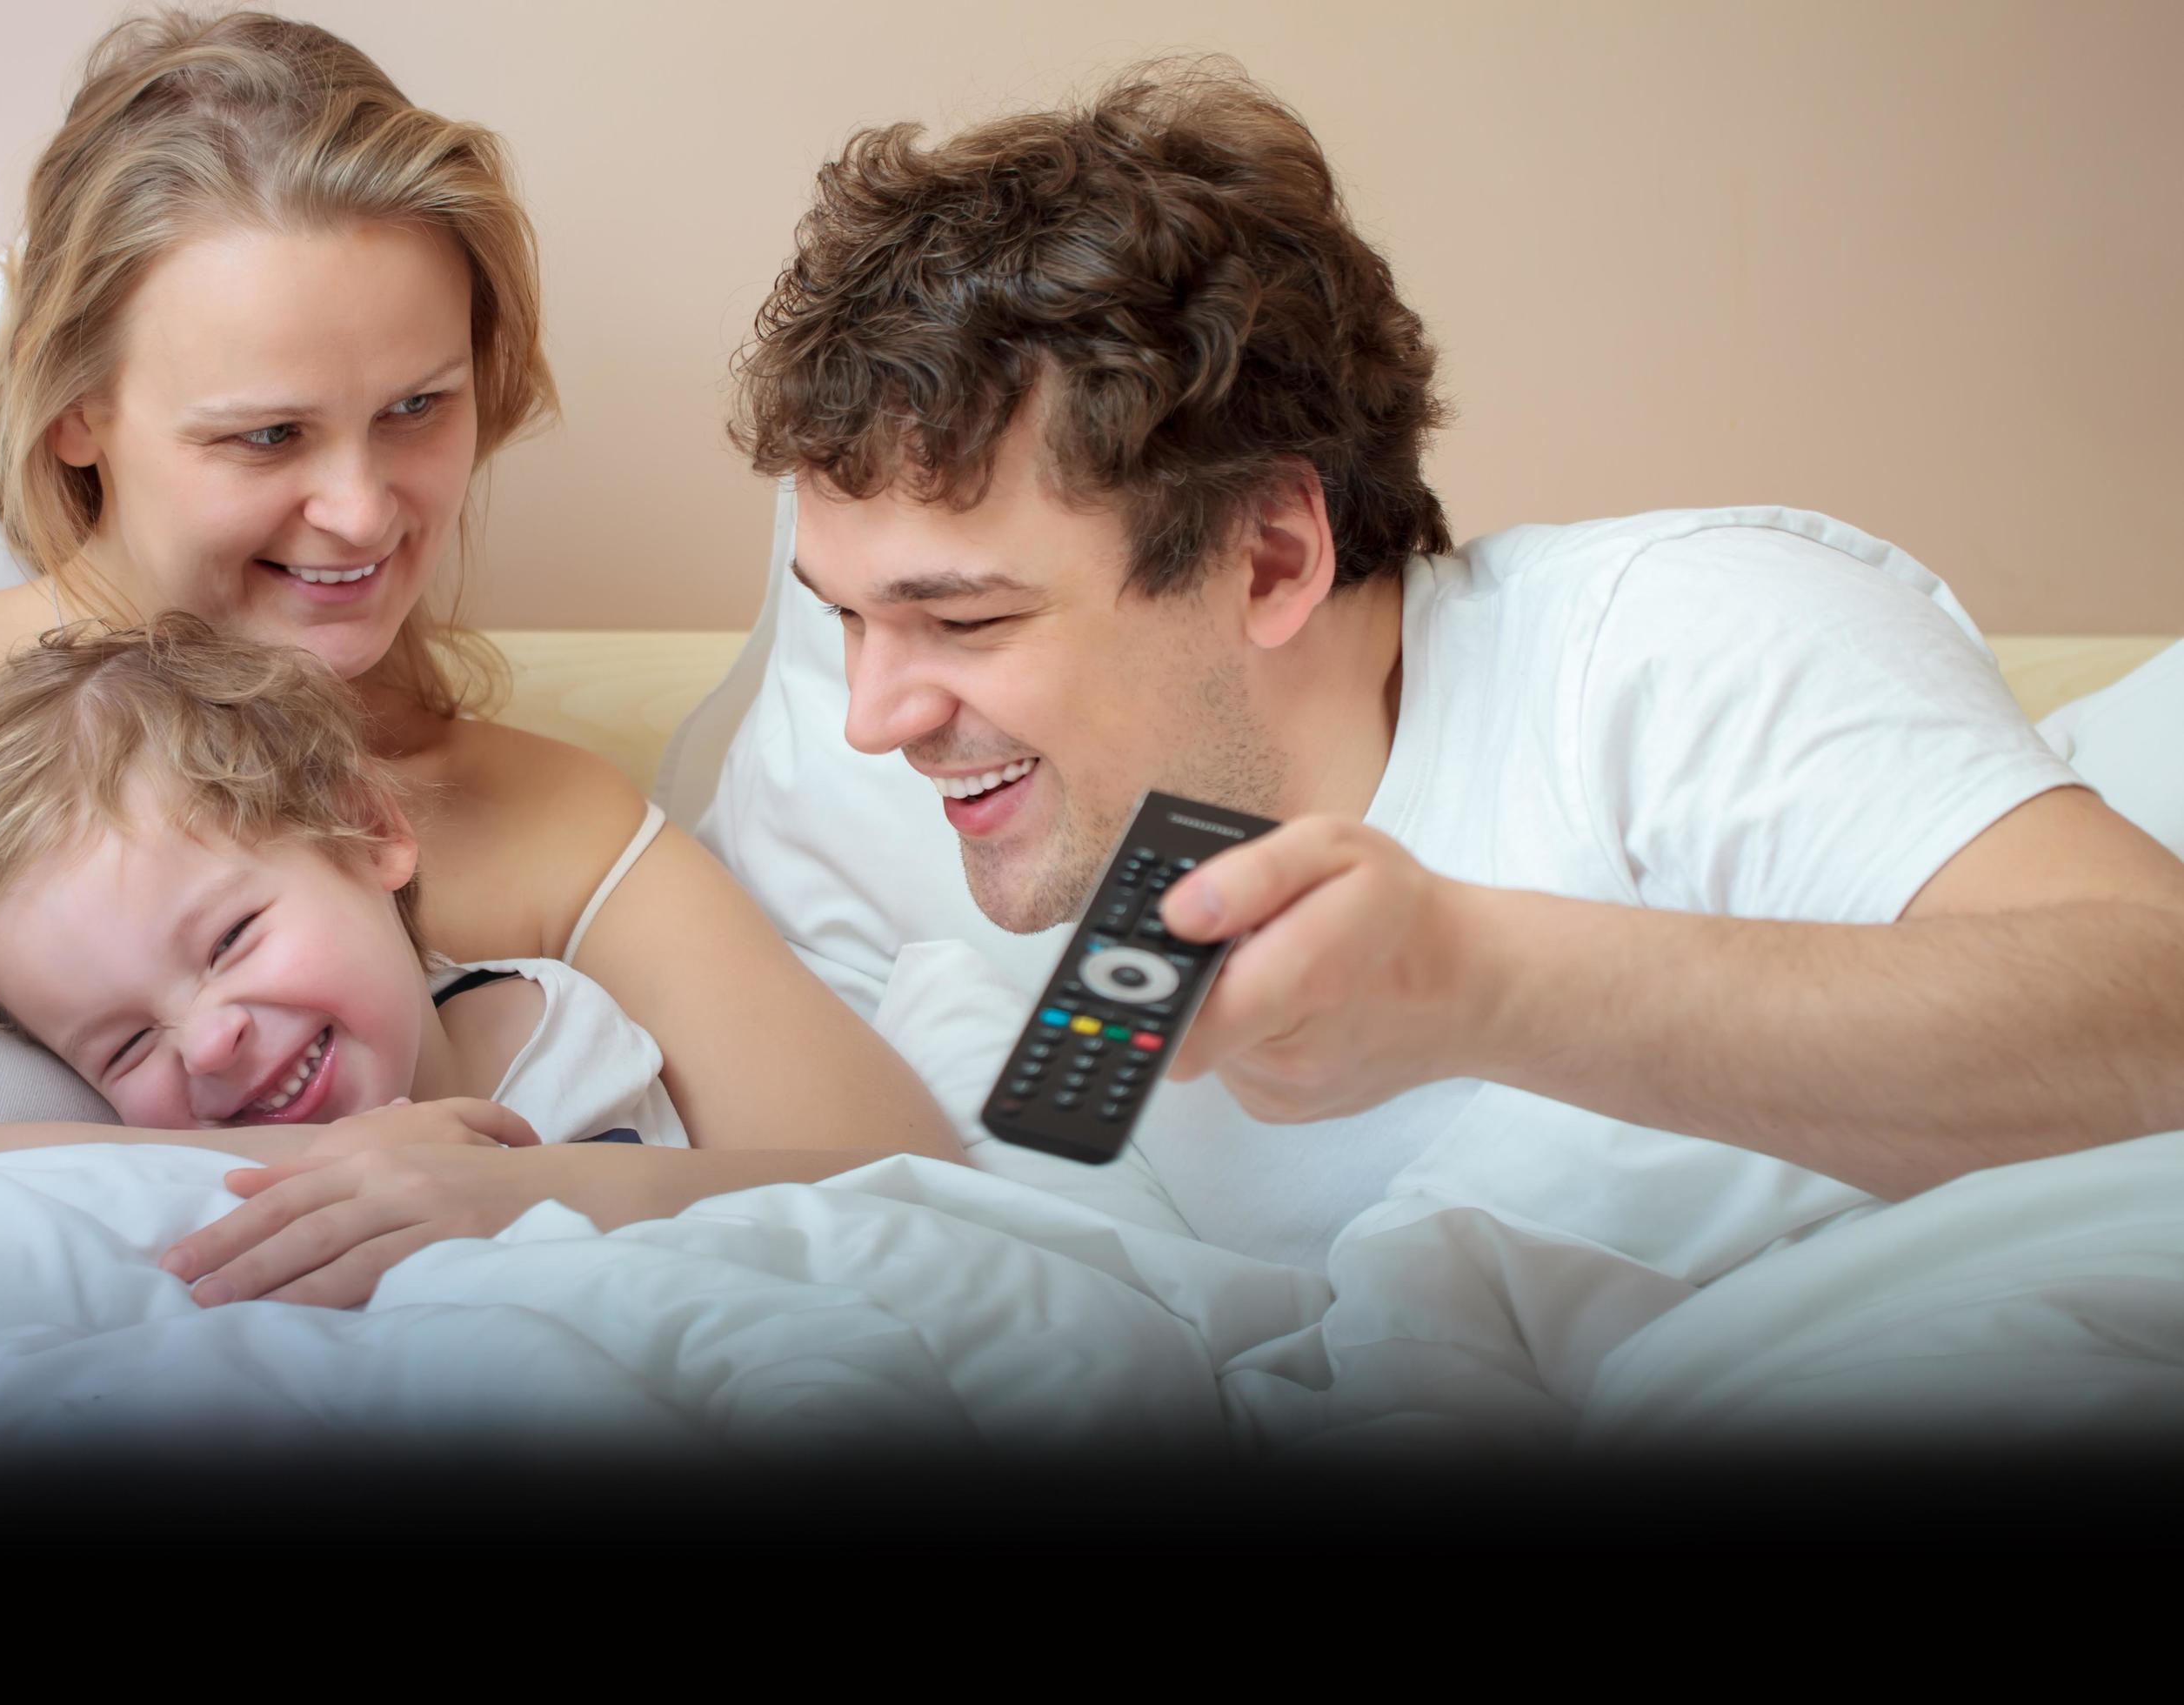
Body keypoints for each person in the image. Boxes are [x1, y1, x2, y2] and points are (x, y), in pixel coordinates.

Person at [0, 10, 955, 1232]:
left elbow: (904, 1192)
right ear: (82, 414)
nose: (362, 512)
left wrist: (516, 1192)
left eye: (416, 408)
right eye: (265, 438)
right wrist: (159, 1190)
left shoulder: (537, 813)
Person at [727, 63, 2184, 1268]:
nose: (871, 720)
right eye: (846, 619)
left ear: (1273, 557)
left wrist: (1478, 988)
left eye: (965, 623)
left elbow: (2158, 1007)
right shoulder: (1097, 871)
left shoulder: (1667, 643)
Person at [0, 615, 696, 1307]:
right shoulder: (170, 1186)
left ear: (370, 832)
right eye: (126, 1048)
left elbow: (677, 1266)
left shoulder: (557, 1040)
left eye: (229, 941)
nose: (206, 1045)